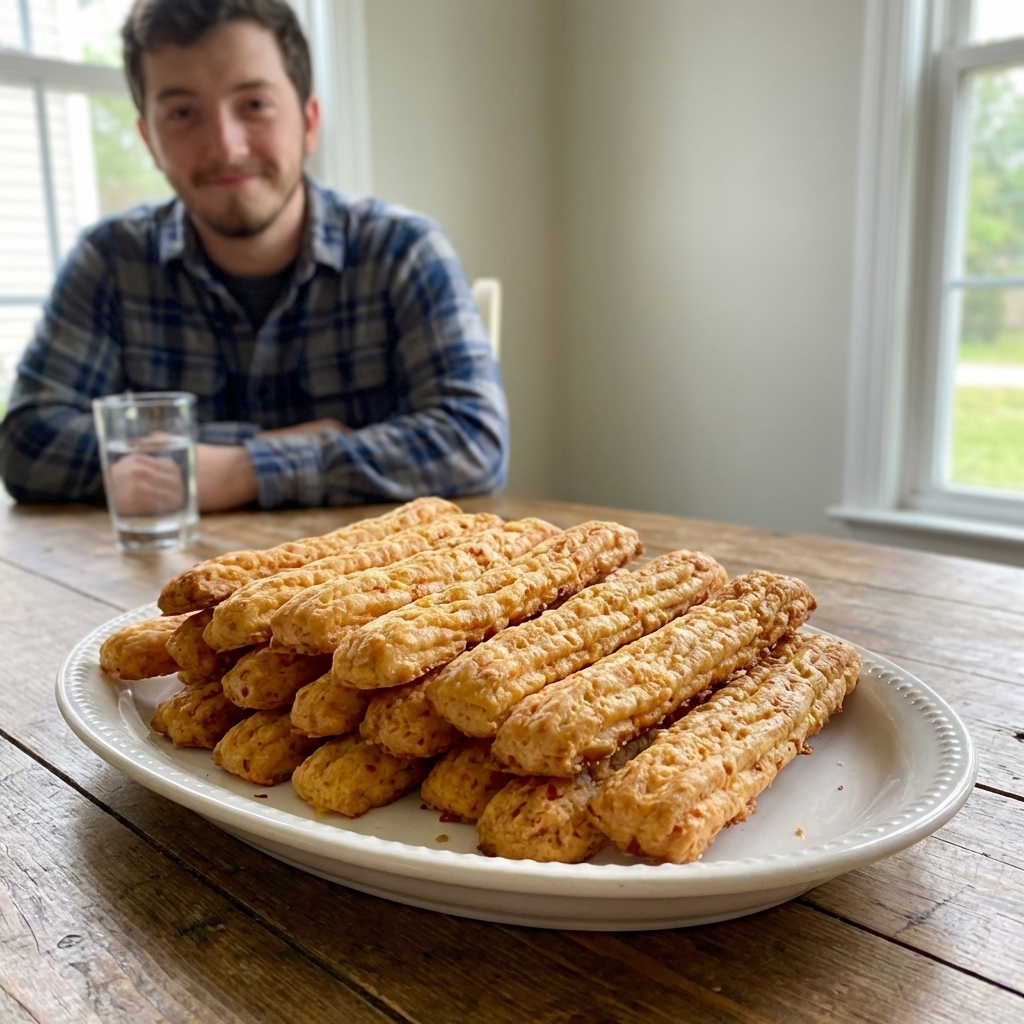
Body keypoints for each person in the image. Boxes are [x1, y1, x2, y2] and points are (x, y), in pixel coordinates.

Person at [0, 0, 508, 512]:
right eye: (182, 113)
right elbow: (26, 441)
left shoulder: (403, 251)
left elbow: (473, 440)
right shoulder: (110, 261)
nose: (226, 147)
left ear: (309, 122)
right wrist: (261, 449)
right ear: (149, 140)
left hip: (376, 564)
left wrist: (240, 470)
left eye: (255, 104)